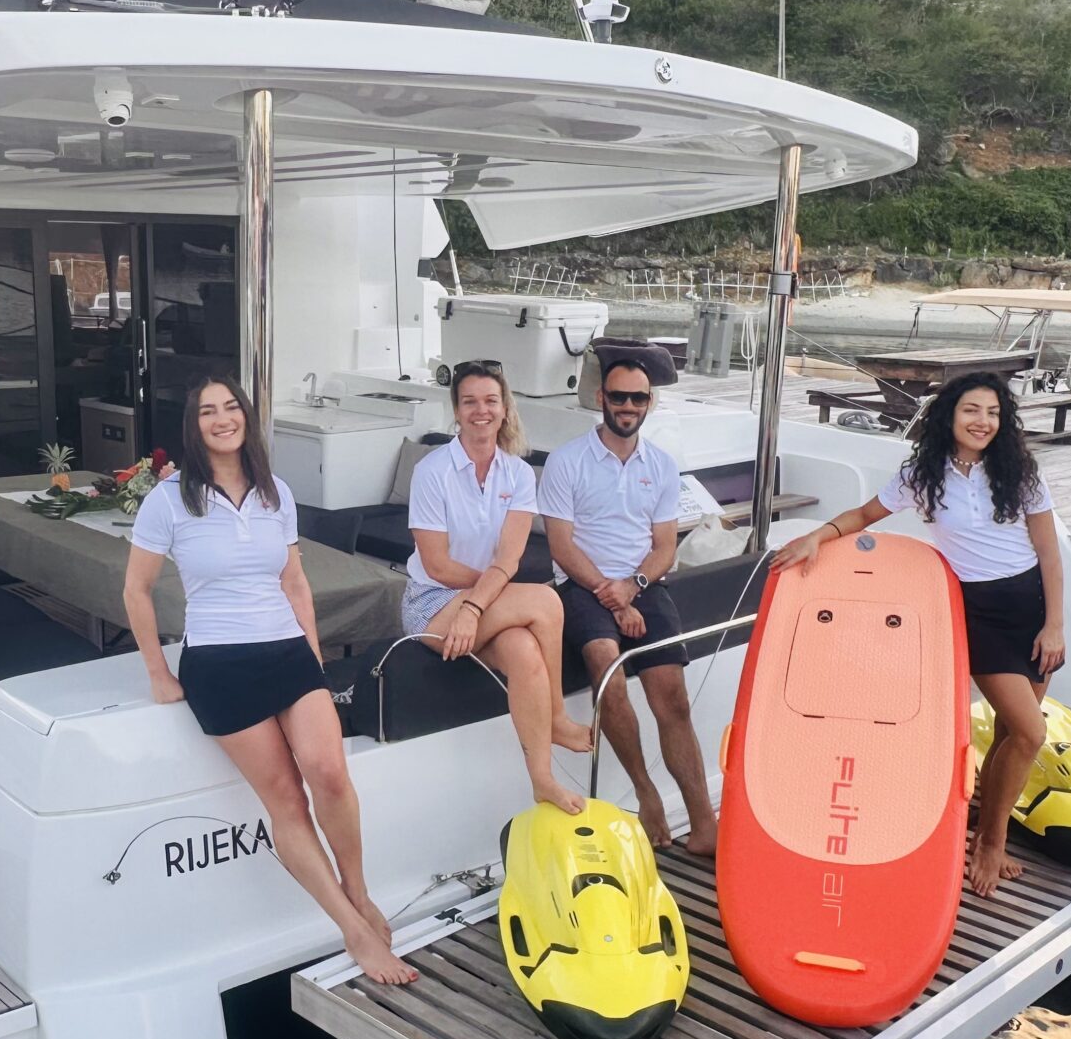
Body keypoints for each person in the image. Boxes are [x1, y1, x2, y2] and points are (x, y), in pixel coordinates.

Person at [125, 377, 415, 985]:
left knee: (330, 774)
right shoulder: (169, 501)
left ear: (246, 416)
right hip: (219, 662)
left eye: (231, 407)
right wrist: (157, 672)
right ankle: (352, 929)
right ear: (194, 426)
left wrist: (313, 657)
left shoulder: (274, 491)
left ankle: (359, 891)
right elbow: (137, 590)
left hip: (288, 652)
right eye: (208, 411)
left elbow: (294, 583)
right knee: (285, 799)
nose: (222, 419)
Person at [773, 373, 1065, 897]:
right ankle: (991, 844)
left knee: (1009, 734)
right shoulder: (922, 474)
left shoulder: (1020, 471)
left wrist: (1055, 624)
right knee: (1030, 733)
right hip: (978, 614)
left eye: (993, 413)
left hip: (1031, 607)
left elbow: (1048, 552)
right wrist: (817, 535)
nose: (983, 422)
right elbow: (865, 514)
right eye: (972, 410)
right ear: (950, 415)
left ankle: (986, 830)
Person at [540, 358, 719, 856]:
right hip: (581, 585)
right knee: (607, 668)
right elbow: (561, 546)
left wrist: (633, 587)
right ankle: (645, 792)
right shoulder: (567, 461)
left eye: (637, 398)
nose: (627, 406)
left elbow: (665, 547)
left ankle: (703, 823)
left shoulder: (661, 465)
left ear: (649, 403)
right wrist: (611, 595)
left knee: (673, 697)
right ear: (602, 398)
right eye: (618, 396)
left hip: (642, 584)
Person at [402, 361, 593, 816]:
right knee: (545, 599)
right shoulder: (432, 471)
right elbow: (437, 564)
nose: (481, 411)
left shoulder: (519, 475)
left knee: (525, 651)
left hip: (481, 600)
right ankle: (557, 718)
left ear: (505, 408)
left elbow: (508, 559)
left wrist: (478, 604)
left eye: (490, 401)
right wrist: (480, 601)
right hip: (431, 603)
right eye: (469, 402)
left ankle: (542, 780)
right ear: (456, 411)